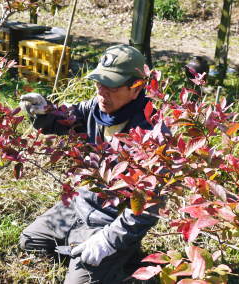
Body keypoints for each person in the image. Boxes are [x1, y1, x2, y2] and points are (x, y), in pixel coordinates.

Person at [19, 44, 160, 284]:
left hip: (111, 223)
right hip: (78, 206)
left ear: (136, 89)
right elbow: (63, 120)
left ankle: (122, 261)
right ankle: (82, 253)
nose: (102, 92)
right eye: (99, 83)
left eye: (112, 86)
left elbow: (147, 209)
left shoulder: (151, 133)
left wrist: (107, 240)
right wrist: (42, 112)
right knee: (30, 241)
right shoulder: (95, 108)